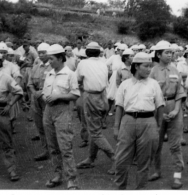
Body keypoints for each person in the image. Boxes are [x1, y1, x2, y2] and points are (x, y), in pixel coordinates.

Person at [113, 52, 165, 190]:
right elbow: (119, 106)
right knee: (121, 160)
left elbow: (160, 105)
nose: (149, 69)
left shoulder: (154, 84)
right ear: (136, 66)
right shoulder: (125, 84)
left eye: (150, 66)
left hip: (148, 121)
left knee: (144, 161)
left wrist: (158, 126)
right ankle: (120, 189)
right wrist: (116, 127)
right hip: (128, 121)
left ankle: (140, 190)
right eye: (146, 66)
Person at [148, 41, 186, 189]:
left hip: (174, 107)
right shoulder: (152, 71)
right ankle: (156, 170)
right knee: (155, 144)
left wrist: (176, 110)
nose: (170, 55)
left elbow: (180, 92)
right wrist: (159, 114)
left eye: (171, 52)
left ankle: (177, 175)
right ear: (158, 54)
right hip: (157, 109)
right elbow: (149, 94)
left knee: (175, 145)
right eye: (167, 53)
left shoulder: (175, 70)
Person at [42, 44, 80, 190]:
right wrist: (45, 96)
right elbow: (45, 91)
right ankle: (58, 175)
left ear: (60, 58)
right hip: (48, 111)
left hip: (63, 111)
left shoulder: (70, 74)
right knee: (52, 147)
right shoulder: (49, 73)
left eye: (51, 59)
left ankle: (72, 179)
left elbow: (75, 94)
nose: (49, 62)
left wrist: (59, 96)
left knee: (65, 147)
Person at [76, 42, 115, 175]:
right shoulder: (103, 62)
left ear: (87, 53)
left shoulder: (83, 64)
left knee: (95, 132)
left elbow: (78, 79)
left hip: (91, 97)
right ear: (99, 52)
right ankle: (91, 158)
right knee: (95, 129)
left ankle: (115, 158)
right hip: (103, 96)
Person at [0, 51, 23, 182]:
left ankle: (12, 170)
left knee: (6, 141)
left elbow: (19, 91)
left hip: (1, 110)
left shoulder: (6, 77)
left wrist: (10, 104)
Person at [28, 43, 51, 161]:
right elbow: (30, 82)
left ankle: (55, 149)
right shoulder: (36, 65)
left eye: (43, 53)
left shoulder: (53, 66)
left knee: (49, 124)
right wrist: (34, 92)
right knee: (39, 125)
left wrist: (41, 92)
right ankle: (46, 150)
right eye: (40, 52)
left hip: (47, 98)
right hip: (36, 98)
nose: (41, 55)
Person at [105, 44, 125, 120]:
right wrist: (110, 71)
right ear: (118, 51)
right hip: (114, 76)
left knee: (121, 95)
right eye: (121, 50)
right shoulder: (114, 57)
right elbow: (106, 64)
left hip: (123, 76)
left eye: (123, 50)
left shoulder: (125, 58)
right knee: (111, 95)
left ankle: (119, 114)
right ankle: (108, 111)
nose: (122, 52)